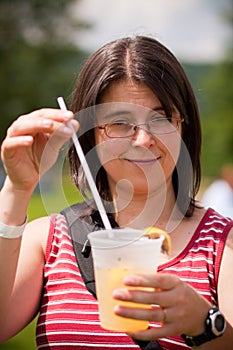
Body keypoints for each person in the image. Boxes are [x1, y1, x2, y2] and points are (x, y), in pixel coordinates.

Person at [0, 35, 233, 350]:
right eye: (120, 122)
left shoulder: (222, 244)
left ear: (183, 127)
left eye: (161, 117)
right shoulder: (49, 240)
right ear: (91, 136)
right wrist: (17, 188)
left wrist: (204, 324)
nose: (143, 140)